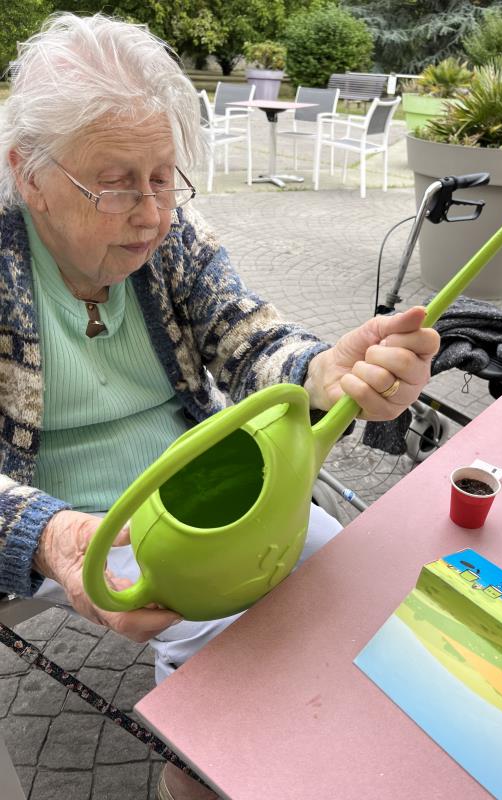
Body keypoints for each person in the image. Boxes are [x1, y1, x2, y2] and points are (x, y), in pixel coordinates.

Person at [0, 13, 439, 799]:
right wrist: (48, 536)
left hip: (203, 483)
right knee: (236, 637)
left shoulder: (168, 233)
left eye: (164, 176)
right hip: (68, 515)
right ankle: (201, 773)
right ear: (29, 175)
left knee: (343, 576)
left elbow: (247, 336)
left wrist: (322, 374)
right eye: (117, 183)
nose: (152, 214)